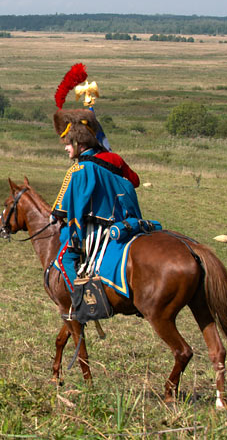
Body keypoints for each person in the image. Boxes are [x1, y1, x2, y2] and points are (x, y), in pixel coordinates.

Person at [49, 64, 142, 311]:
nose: (66, 148)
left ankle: (78, 301)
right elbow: (135, 181)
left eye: (68, 143)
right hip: (124, 224)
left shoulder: (78, 170)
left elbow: (61, 210)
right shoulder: (115, 159)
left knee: (65, 256)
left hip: (97, 229)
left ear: (79, 142)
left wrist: (56, 216)